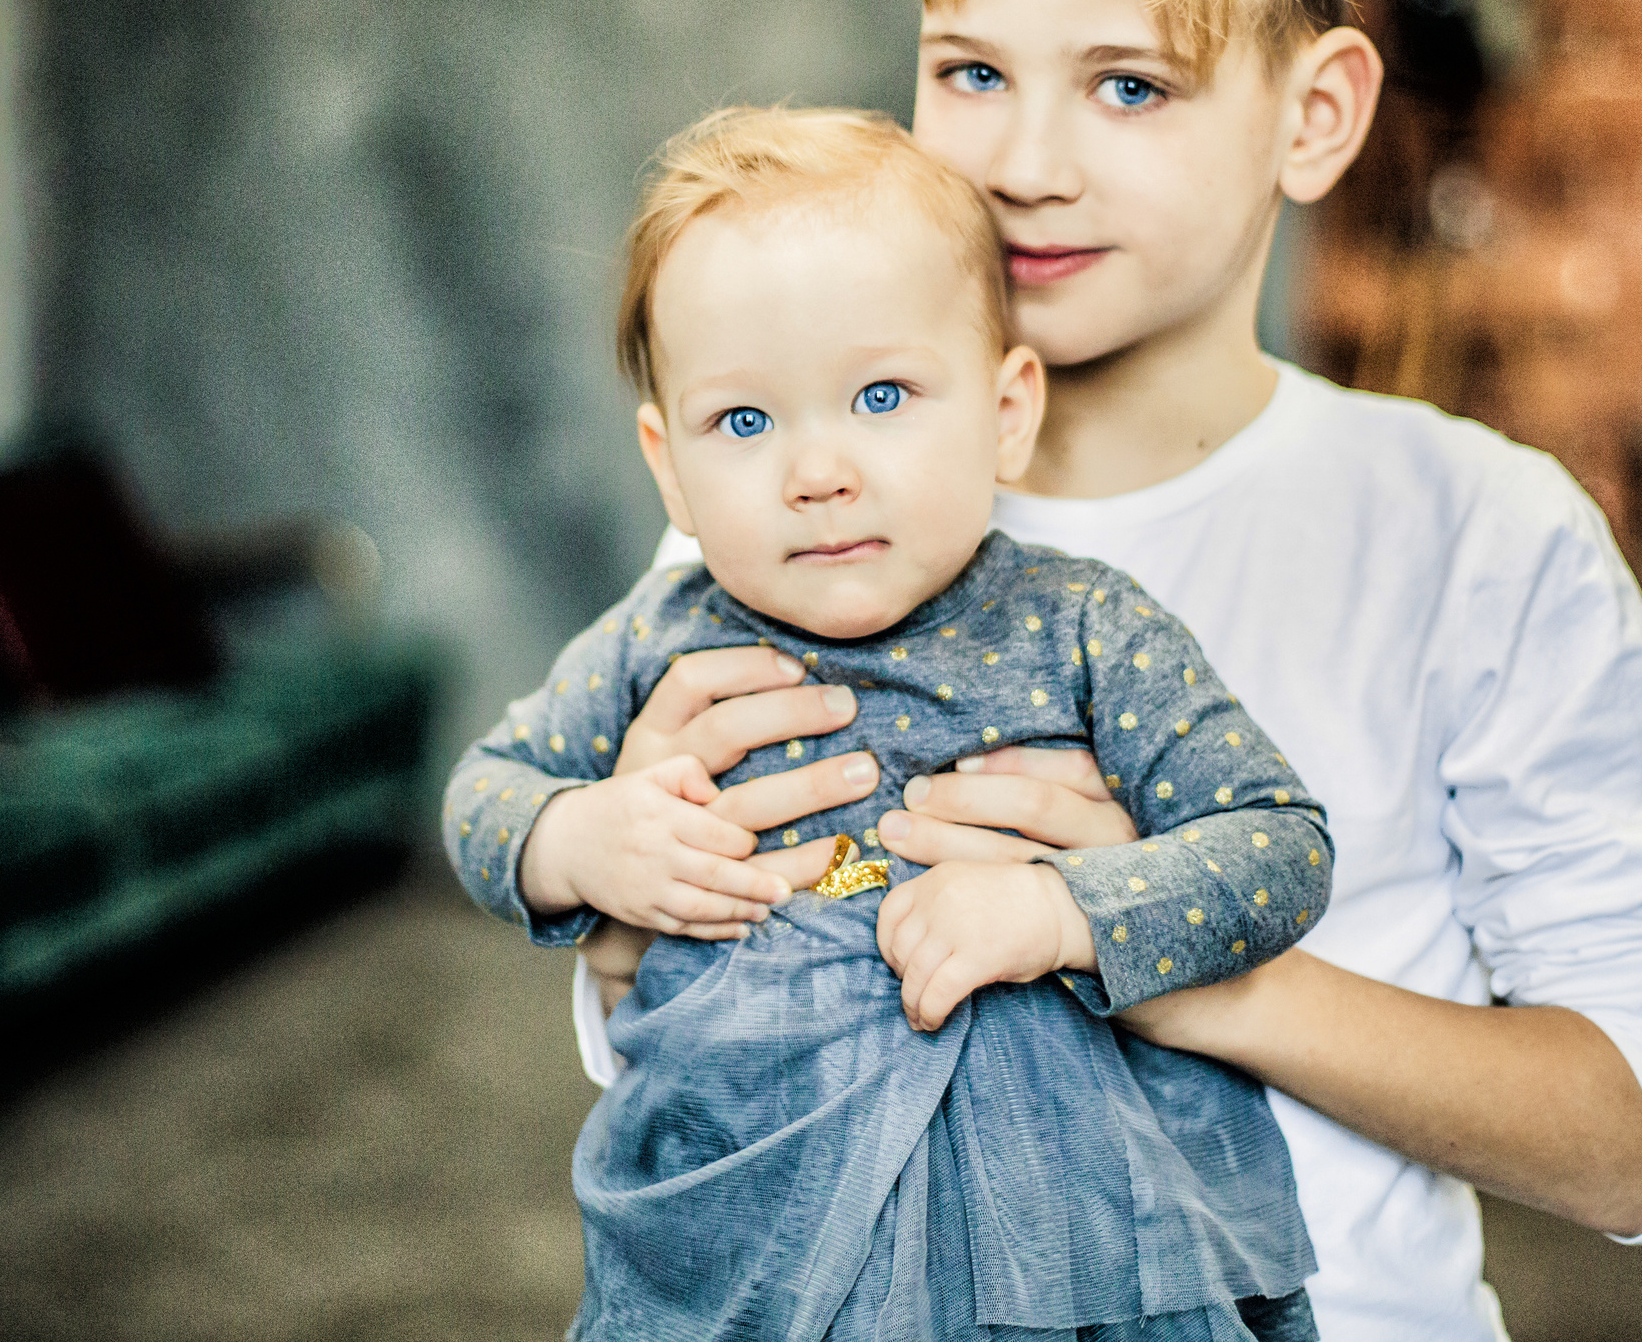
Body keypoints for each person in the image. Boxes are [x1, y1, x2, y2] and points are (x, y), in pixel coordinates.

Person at [566, 0, 1642, 1340]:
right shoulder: (793, 521)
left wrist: (1173, 945)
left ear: (1315, 114)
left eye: (1129, 84)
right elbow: (651, 1041)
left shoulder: (1477, 536)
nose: (1025, 162)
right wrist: (630, 895)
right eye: (972, 70)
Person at [446, 105, 1337, 1341]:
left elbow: (1281, 843)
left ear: (1006, 410)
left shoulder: (1085, 628)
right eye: (743, 421)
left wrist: (1063, 911)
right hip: (747, 1226)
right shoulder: (658, 641)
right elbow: (485, 791)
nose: (818, 472)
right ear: (667, 466)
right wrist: (576, 839)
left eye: (881, 395)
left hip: (1068, 1242)